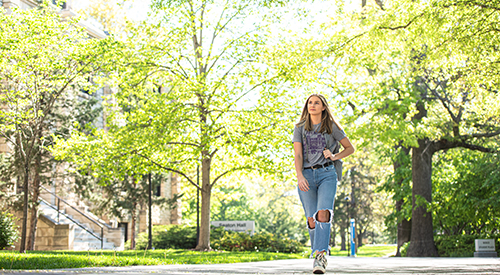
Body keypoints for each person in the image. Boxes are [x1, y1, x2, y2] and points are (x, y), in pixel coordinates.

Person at [292, 94, 355, 274]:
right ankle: (317, 251)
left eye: (316, 103)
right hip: (306, 175)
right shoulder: (300, 128)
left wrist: (335, 156)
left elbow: (350, 148)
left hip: (327, 173)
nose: (312, 105)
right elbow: (298, 155)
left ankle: (320, 256)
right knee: (311, 218)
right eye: (310, 103)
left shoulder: (331, 127)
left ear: (323, 107)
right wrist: (299, 176)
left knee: (323, 213)